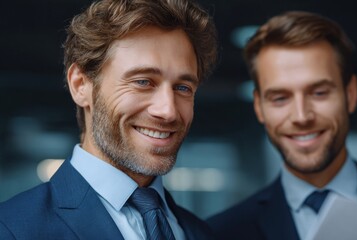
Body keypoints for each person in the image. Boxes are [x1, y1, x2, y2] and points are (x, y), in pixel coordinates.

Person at [0, 0, 217, 239]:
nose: (168, 111)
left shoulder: (202, 233)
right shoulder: (12, 230)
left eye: (183, 87)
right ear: (80, 85)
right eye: (143, 82)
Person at [207, 11, 357, 240]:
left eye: (319, 93)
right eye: (280, 98)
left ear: (350, 94)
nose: (302, 116)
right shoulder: (221, 234)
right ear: (259, 107)